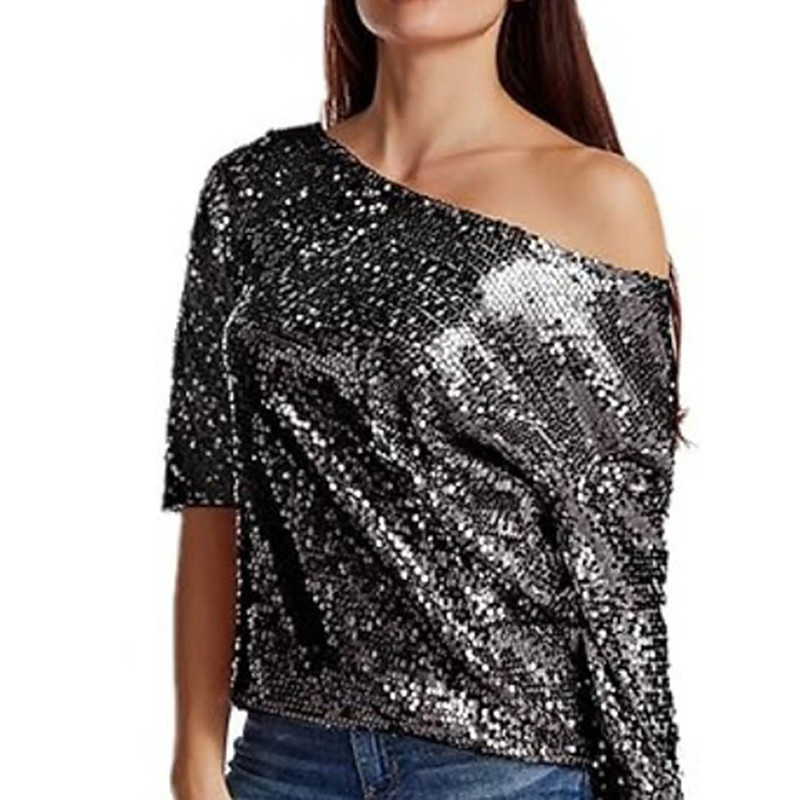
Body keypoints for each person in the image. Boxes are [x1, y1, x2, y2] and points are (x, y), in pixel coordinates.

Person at [162, 1, 688, 798]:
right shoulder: (254, 191)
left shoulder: (596, 199)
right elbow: (211, 488)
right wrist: (195, 762)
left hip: (503, 769)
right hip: (286, 760)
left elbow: (618, 568)